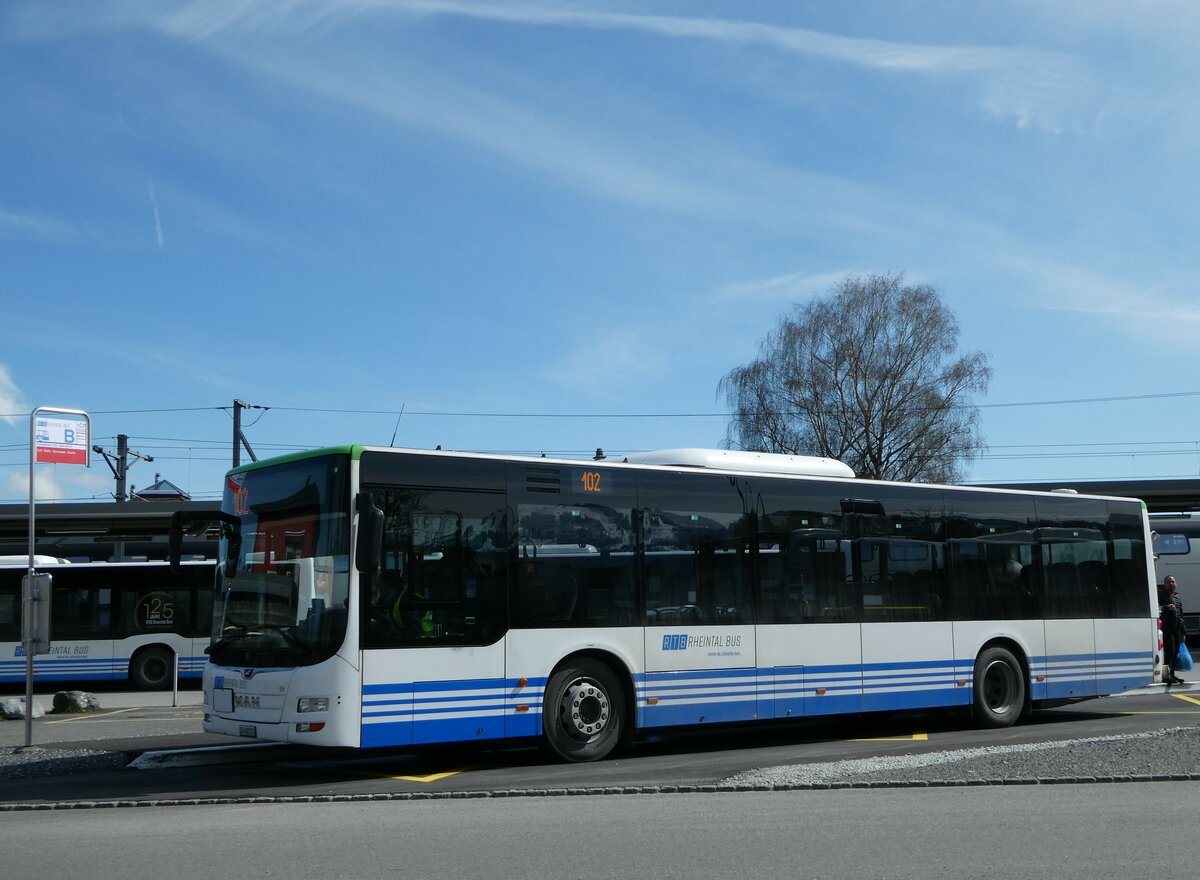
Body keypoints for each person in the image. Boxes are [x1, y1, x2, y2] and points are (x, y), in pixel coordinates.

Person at [1159, 576, 1186, 685]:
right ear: (1165, 584)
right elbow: (1157, 608)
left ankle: (1172, 674)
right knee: (1170, 652)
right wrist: (1166, 607)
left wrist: (1184, 632)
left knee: (1175, 653)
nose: (1171, 583)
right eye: (1168, 582)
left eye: (1173, 581)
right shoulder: (1161, 596)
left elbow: (1181, 615)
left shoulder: (1178, 598)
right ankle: (1166, 676)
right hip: (1167, 629)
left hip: (1177, 629)